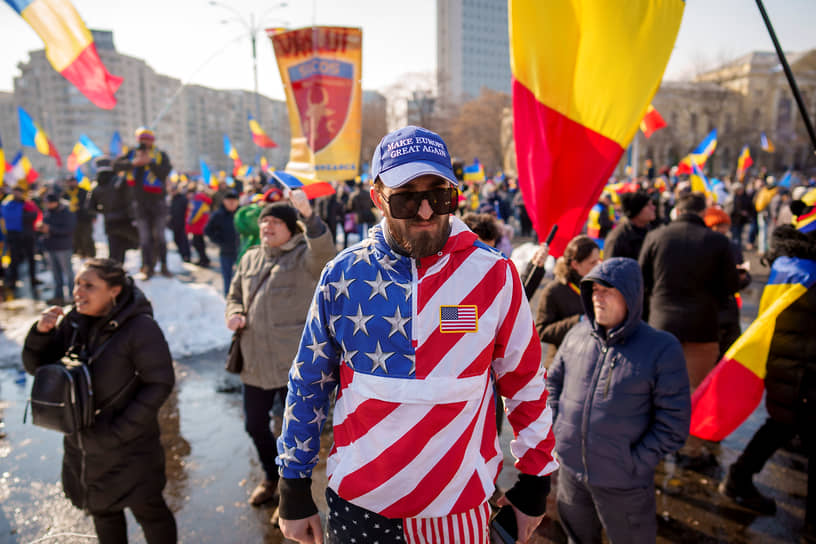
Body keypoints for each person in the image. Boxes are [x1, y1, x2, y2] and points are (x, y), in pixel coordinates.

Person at [277, 126, 557, 544]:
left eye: (439, 195)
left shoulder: (495, 275)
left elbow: (525, 381)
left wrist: (535, 480)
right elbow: (310, 383)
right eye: (407, 197)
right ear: (377, 198)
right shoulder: (341, 276)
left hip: (458, 507)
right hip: (360, 505)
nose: (426, 212)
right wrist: (293, 484)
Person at [22, 258, 177, 543]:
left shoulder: (140, 328)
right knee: (103, 514)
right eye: (77, 284)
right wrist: (41, 336)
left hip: (131, 449)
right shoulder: (73, 321)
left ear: (114, 290)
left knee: (151, 513)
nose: (78, 292)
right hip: (83, 449)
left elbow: (160, 382)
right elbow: (40, 370)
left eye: (89, 286)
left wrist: (118, 432)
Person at [548, 257, 691, 543]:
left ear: (631, 295)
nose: (598, 298)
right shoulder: (577, 334)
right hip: (570, 474)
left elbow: (674, 423)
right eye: (594, 290)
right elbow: (552, 384)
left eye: (608, 290)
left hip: (623, 483)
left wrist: (634, 461)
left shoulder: (661, 348)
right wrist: (556, 432)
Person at [225, 190, 335, 507]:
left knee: (294, 434)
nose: (267, 228)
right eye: (264, 222)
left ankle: (292, 497)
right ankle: (271, 477)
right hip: (255, 362)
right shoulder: (250, 258)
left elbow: (323, 251)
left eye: (275, 222)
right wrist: (233, 312)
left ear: (291, 227)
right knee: (254, 424)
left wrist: (309, 218)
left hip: (293, 366)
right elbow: (235, 295)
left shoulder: (305, 257)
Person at [719, 219, 816, 542]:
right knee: (782, 425)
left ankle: (738, 478)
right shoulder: (809, 272)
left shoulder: (790, 264)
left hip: (787, 366)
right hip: (803, 372)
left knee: (780, 424)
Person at [639, 192, 740, 391]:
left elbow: (642, 280)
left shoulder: (656, 236)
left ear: (677, 211)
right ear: (704, 213)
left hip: (662, 322)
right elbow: (730, 286)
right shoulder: (718, 241)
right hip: (702, 326)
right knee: (696, 393)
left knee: (660, 389)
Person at [113, 127, 173, 278]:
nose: (144, 143)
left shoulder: (160, 155)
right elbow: (116, 166)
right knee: (144, 238)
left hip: (158, 202)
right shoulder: (132, 154)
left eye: (147, 140)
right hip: (139, 202)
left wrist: (150, 163)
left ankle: (164, 265)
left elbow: (164, 173)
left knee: (160, 236)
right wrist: (135, 163)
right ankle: (147, 266)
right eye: (141, 140)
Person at [535, 235, 599, 357]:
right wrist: (578, 321)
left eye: (598, 260)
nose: (598, 266)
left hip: (592, 359)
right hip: (563, 361)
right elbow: (541, 331)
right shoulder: (554, 290)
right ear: (575, 264)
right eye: (592, 262)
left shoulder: (599, 287)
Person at [703, 206, 752, 359]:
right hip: (709, 311)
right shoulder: (701, 246)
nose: (727, 229)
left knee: (728, 357)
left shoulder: (733, 247)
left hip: (729, 309)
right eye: (724, 225)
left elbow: (742, 279)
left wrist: (743, 277)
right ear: (714, 225)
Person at [89, 157, 139, 264]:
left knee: (114, 252)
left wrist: (105, 212)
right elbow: (130, 201)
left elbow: (90, 207)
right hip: (125, 221)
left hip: (110, 222)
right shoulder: (120, 181)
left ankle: (115, 272)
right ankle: (117, 274)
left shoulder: (95, 186)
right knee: (123, 250)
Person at [1, 184, 41, 299]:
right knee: (14, 259)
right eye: (15, 192)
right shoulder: (7, 204)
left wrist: (22, 215)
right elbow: (9, 216)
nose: (17, 194)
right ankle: (12, 281)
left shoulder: (28, 203)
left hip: (28, 235)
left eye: (19, 192)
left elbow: (35, 214)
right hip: (14, 236)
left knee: (31, 258)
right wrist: (23, 215)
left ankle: (33, 279)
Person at [39, 192, 76, 305]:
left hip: (63, 247)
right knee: (55, 274)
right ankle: (58, 296)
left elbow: (69, 229)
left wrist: (51, 229)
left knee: (68, 273)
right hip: (50, 246)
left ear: (56, 202)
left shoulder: (66, 212)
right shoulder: (47, 212)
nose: (48, 205)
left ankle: (73, 295)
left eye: (50, 203)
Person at [204, 190, 240, 295]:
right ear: (224, 201)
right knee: (227, 277)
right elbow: (208, 230)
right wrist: (219, 241)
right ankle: (228, 298)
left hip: (241, 250)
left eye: (234, 201)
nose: (232, 203)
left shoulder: (241, 214)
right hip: (226, 251)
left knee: (240, 277)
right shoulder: (218, 215)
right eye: (229, 201)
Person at [603, 190, 656, 260]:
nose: (653, 207)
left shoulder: (651, 231)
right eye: (648, 205)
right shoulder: (618, 238)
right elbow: (611, 268)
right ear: (637, 210)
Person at [62, 175, 96, 258]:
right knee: (77, 238)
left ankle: (91, 255)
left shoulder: (83, 192)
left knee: (87, 238)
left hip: (85, 219)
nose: (72, 183)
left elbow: (90, 204)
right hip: (72, 220)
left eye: (73, 181)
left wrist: (92, 215)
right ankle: (82, 254)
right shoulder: (66, 194)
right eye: (70, 182)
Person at [185, 186, 211, 268]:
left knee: (198, 243)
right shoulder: (200, 199)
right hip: (200, 225)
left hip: (198, 226)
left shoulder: (197, 200)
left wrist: (189, 222)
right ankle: (203, 259)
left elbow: (195, 214)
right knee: (200, 243)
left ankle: (204, 259)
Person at [167, 182, 191, 263]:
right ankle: (181, 253)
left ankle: (186, 255)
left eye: (174, 190)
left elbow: (188, 210)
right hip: (174, 223)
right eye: (172, 190)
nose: (173, 192)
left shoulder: (183, 198)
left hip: (182, 222)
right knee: (176, 239)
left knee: (184, 240)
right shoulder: (171, 199)